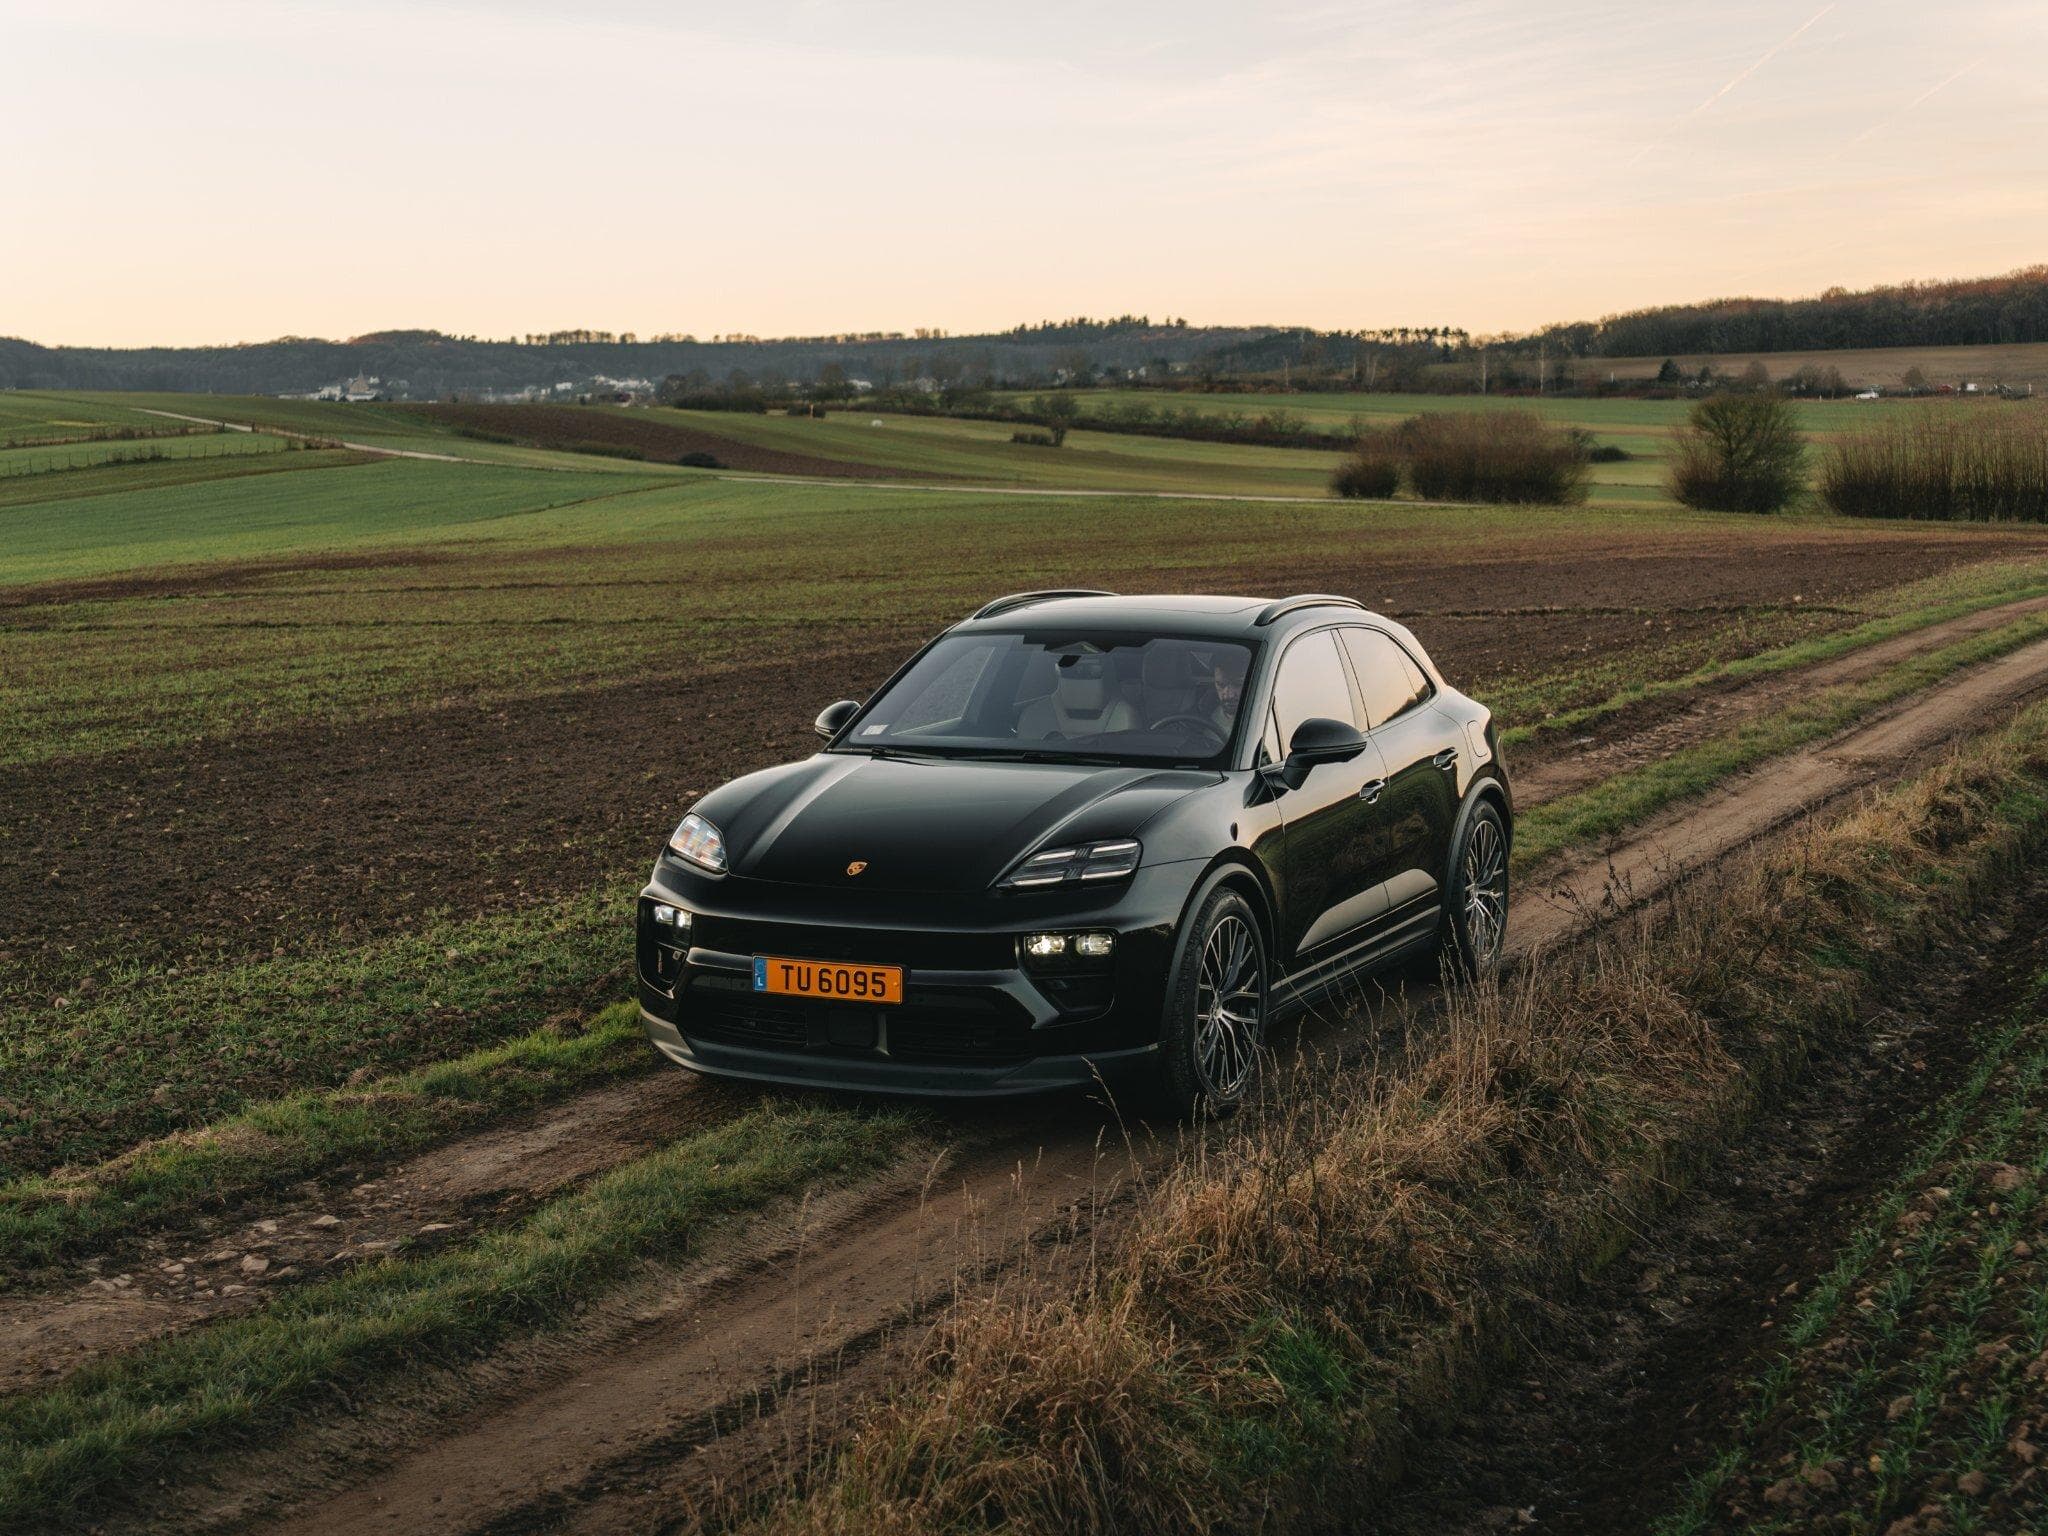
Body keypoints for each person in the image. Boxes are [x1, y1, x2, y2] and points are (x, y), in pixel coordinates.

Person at [1207, 651, 1248, 735]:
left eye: (1238, 684)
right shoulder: (1203, 711)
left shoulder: (1262, 722)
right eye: (1220, 685)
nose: (1229, 695)